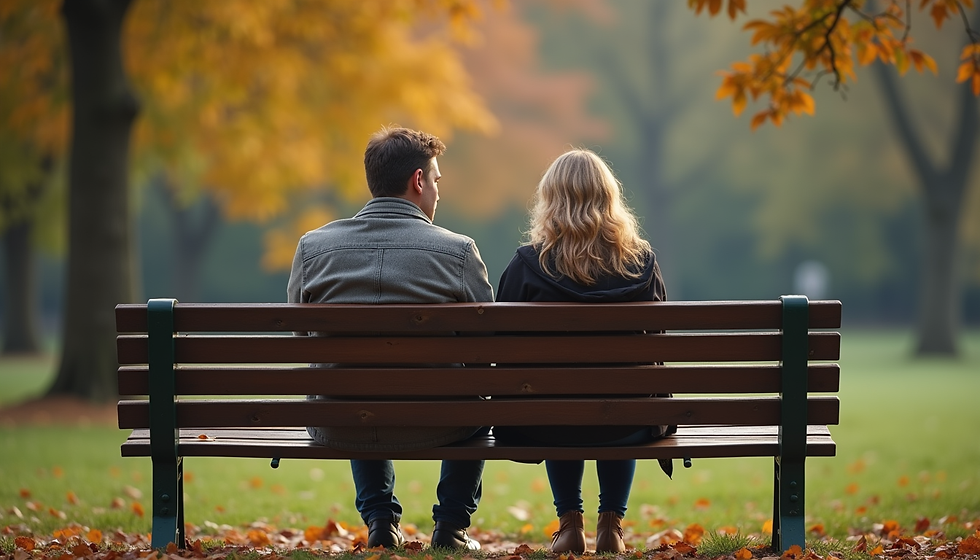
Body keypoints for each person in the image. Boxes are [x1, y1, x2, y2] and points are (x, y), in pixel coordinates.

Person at [286, 126, 493, 551]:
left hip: (340, 420)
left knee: (354, 383)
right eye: (436, 180)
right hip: (442, 423)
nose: (438, 191)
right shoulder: (458, 252)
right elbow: (487, 342)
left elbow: (300, 333)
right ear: (418, 181)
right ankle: (451, 526)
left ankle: (381, 519)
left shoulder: (312, 248)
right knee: (480, 394)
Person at [494, 149, 672, 554]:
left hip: (549, 420)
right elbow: (657, 342)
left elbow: (500, 349)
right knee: (622, 397)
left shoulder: (526, 265)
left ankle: (570, 524)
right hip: (630, 421)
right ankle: (611, 527)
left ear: (550, 201)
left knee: (559, 404)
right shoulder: (641, 262)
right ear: (609, 198)